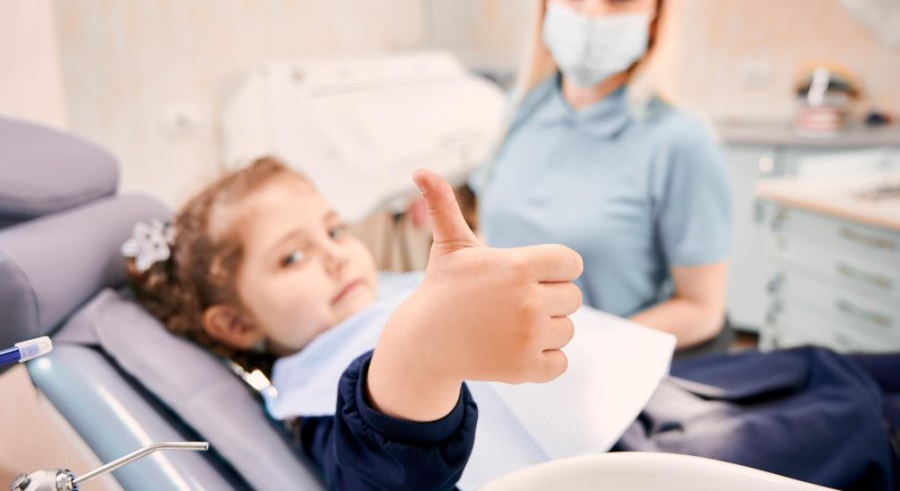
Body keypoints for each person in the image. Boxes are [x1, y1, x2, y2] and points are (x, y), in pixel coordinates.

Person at [127, 157, 897, 490]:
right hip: (643, 449)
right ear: (232, 323)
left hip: (655, 389)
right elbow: (384, 467)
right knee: (857, 417)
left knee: (827, 363)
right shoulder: (318, 396)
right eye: (291, 259)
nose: (334, 257)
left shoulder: (369, 294)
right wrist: (423, 347)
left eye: (333, 229)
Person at [470, 0, 732, 354]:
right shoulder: (521, 110)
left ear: (655, 12)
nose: (592, 12)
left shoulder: (679, 142)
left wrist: (585, 346)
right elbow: (494, 237)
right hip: (508, 362)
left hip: (604, 373)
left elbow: (702, 309)